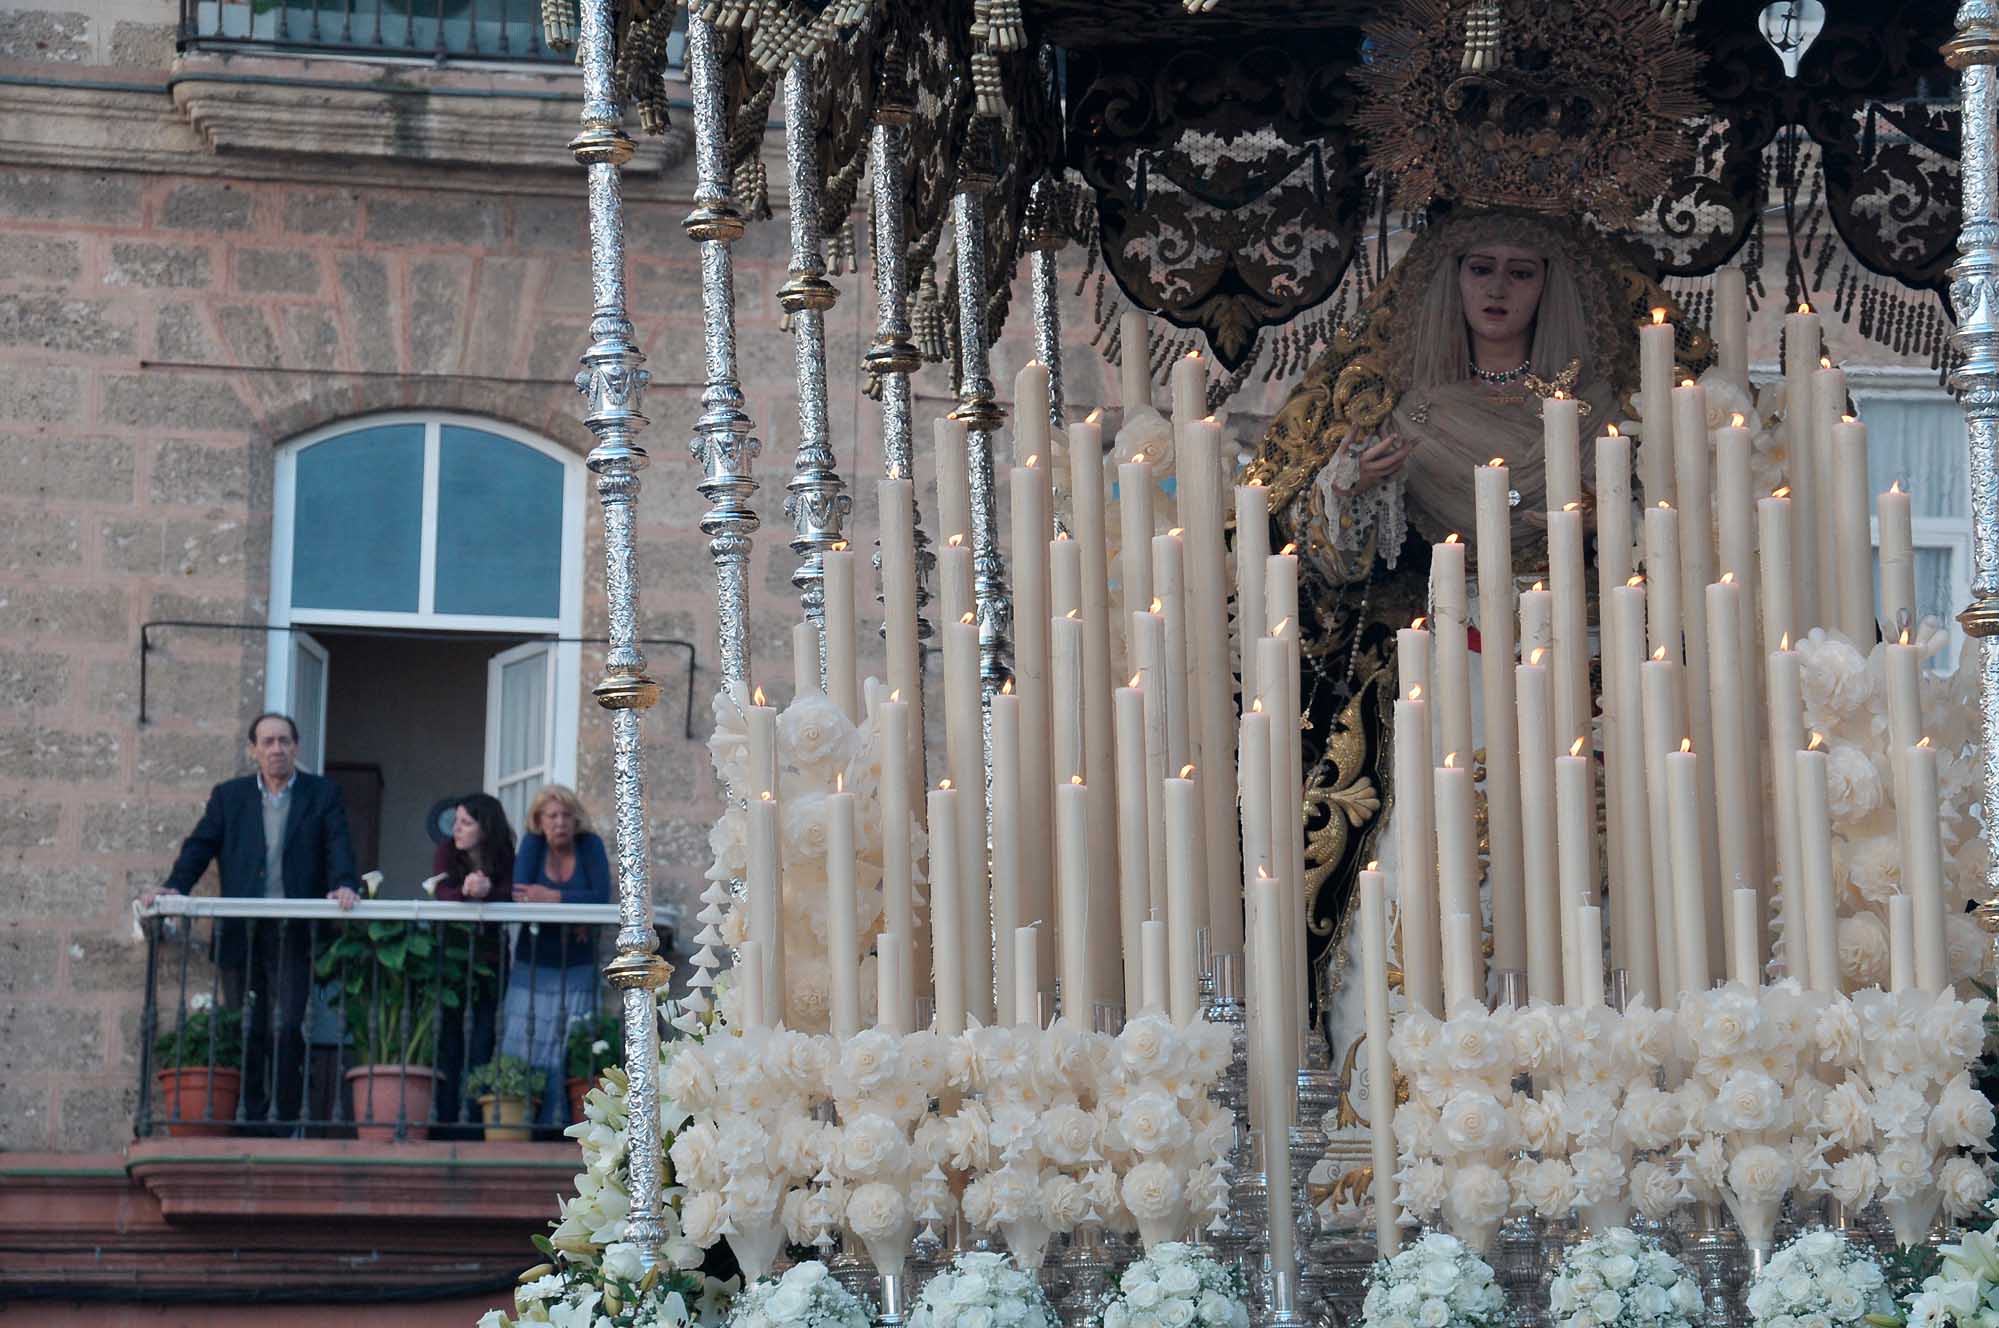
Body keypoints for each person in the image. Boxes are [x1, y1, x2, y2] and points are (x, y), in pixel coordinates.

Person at [151, 712, 361, 1129]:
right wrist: (175, 887)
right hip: (241, 932)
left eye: (284, 741)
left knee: (287, 1025)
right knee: (249, 1027)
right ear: (254, 751)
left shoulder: (322, 795)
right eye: (267, 742)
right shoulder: (230, 797)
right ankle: (250, 1115)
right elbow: (201, 845)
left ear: (296, 747)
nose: (277, 749)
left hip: (292, 932)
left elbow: (339, 845)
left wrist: (343, 885)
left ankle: (284, 1118)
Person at [502, 785, 612, 1126]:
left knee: (572, 1043)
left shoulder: (589, 845)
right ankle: (524, 1124)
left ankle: (564, 1123)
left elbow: (600, 898)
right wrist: (573, 902)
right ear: (539, 820)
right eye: (552, 816)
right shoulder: (532, 844)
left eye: (566, 815)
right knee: (524, 1042)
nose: (560, 822)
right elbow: (521, 893)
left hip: (577, 963)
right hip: (534, 963)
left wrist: (551, 898)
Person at [430, 792, 515, 1131]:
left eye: (466, 823)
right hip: (452, 957)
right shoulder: (446, 852)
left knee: (483, 1038)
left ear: (485, 827)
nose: (458, 830)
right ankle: (446, 1116)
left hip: (492, 957)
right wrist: (465, 892)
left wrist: (488, 889)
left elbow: (512, 892)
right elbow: (440, 891)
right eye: (456, 822)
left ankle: (473, 1117)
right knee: (448, 1037)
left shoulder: (504, 855)